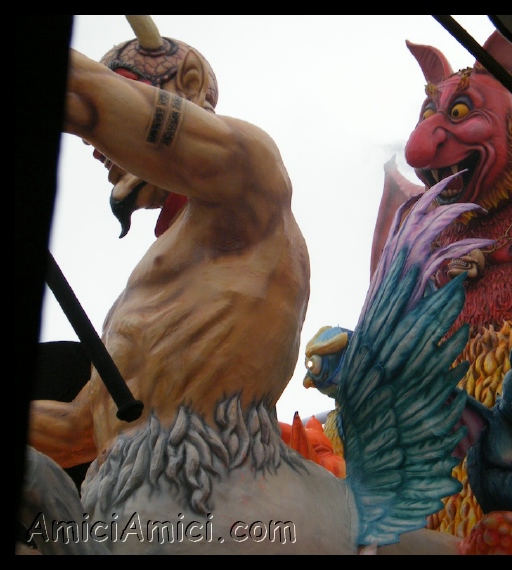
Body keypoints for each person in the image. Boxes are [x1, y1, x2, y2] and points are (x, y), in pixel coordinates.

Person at [24, 17, 359, 554]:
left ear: (190, 83)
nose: (96, 149)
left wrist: (95, 98)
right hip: (126, 505)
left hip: (213, 499)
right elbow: (78, 430)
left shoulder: (251, 170)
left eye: (127, 84)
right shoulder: (151, 282)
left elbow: (93, 99)